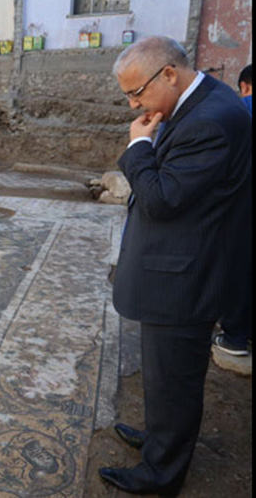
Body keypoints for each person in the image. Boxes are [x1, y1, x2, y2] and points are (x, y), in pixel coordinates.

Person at [100, 36, 252, 496]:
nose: (133, 103)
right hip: (177, 266)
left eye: (137, 92)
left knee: (177, 379)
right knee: (164, 374)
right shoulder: (202, 102)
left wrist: (138, 148)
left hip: (186, 276)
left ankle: (161, 473)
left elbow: (163, 199)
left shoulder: (211, 120)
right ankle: (159, 437)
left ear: (169, 74)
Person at [213, 63, 253, 357]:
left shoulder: (239, 111)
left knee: (239, 267)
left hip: (243, 205)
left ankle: (236, 336)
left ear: (245, 86)